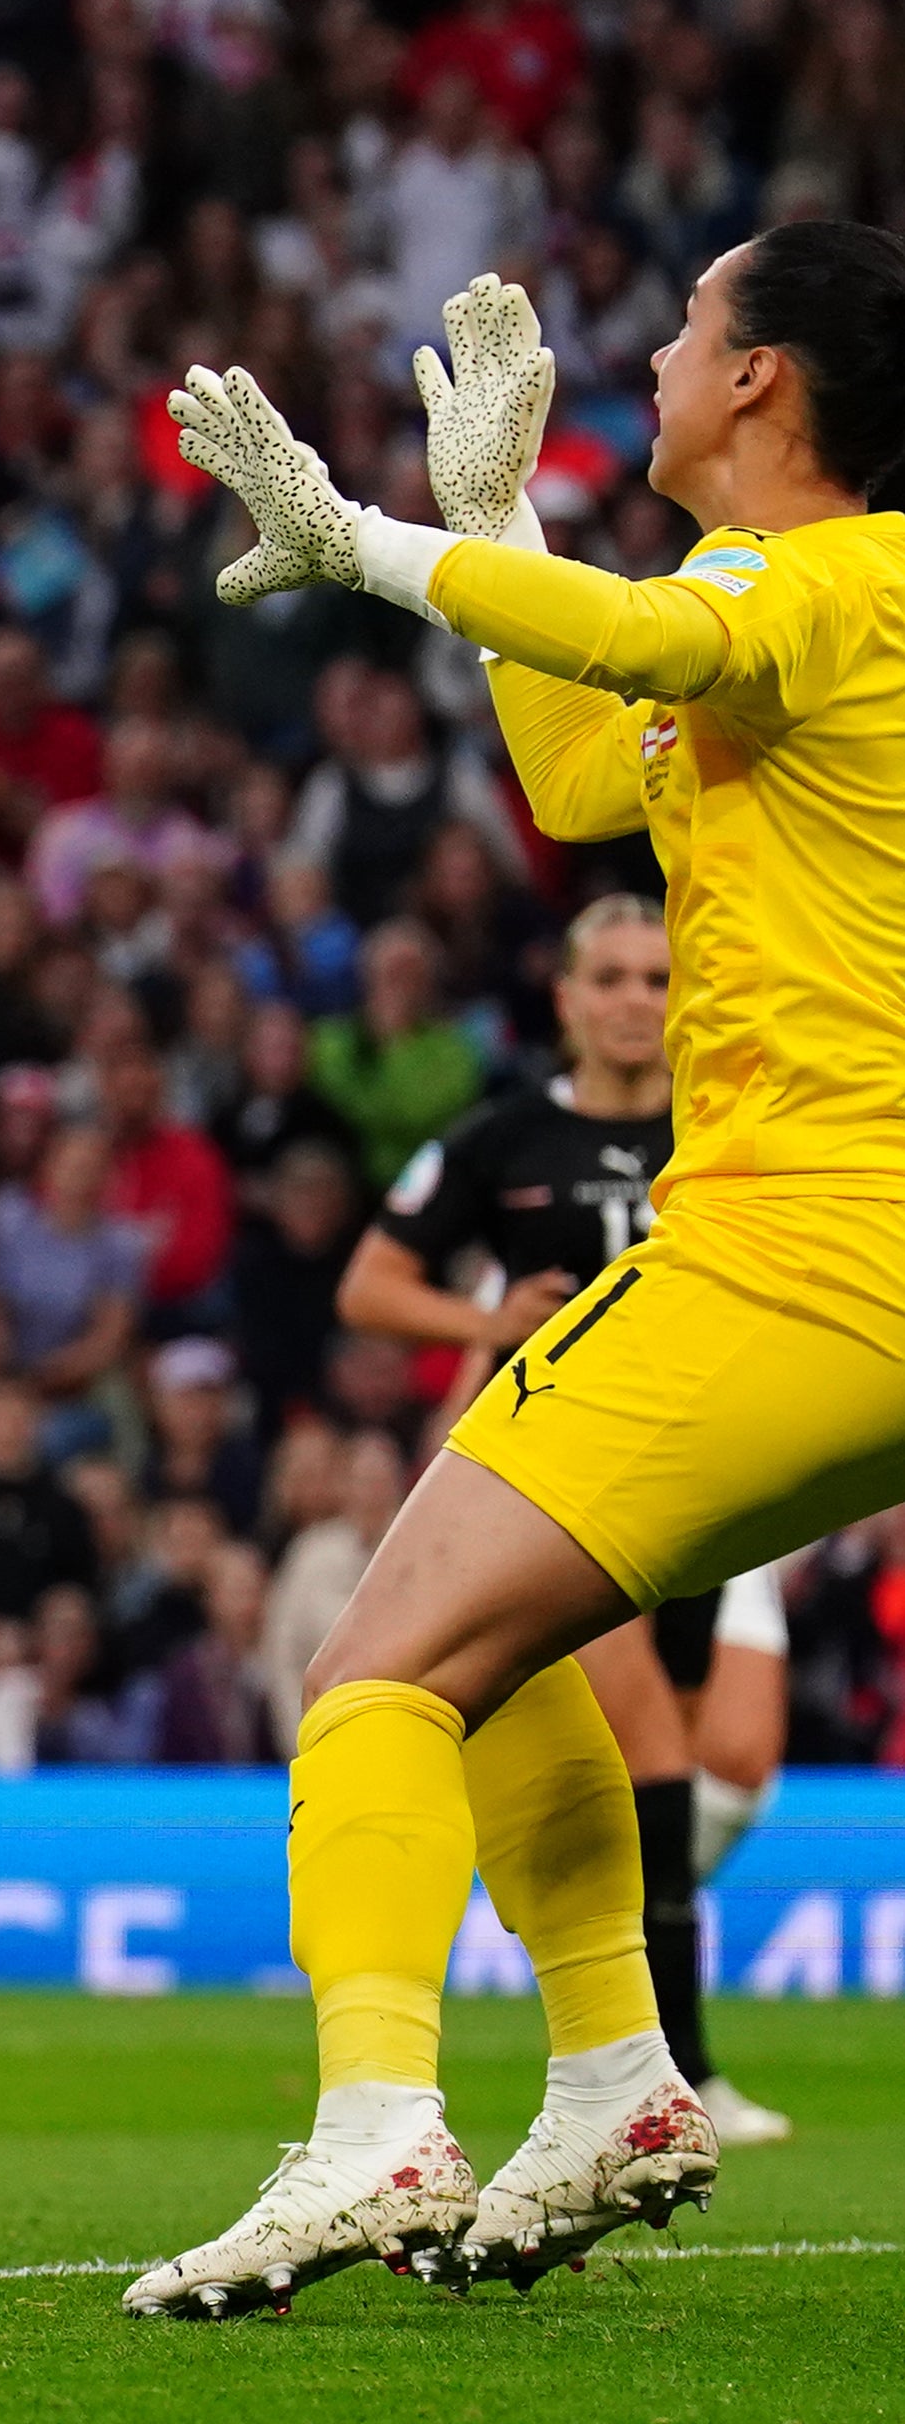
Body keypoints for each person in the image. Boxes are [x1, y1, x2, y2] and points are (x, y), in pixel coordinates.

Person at [141, 241, 905, 2312]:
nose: (642, 359)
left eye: (676, 331)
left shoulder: (828, 581)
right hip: (819, 1261)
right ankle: (610, 2078)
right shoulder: (764, 638)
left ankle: (372, 2120)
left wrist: (375, 543)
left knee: (371, 1671)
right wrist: (496, 528)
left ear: (756, 381)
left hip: (798, 1247)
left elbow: (646, 631)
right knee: (505, 1644)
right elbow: (586, 771)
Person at [329, 890, 785, 2137]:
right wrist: (487, 1324)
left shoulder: (732, 1125)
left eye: (658, 977)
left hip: (728, 1476)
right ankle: (672, 2064)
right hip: (581, 1480)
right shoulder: (503, 1140)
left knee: (732, 1767)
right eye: (614, 978)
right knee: (656, 1759)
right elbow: (369, 1286)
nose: (637, 1001)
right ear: (569, 998)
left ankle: (571, 1912)